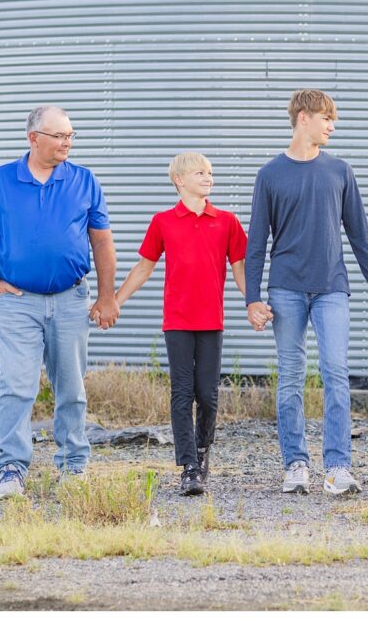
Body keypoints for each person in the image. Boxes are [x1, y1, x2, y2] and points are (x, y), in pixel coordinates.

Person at [0, 105, 118, 500]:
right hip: (17, 303)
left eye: (70, 135)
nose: (67, 143)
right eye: (59, 136)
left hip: (70, 300)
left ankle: (73, 466)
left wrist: (105, 295)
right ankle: (11, 469)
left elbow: (101, 241)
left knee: (72, 387)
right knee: (17, 385)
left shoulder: (84, 180)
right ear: (33, 138)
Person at [245, 89, 368, 496]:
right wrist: (252, 298)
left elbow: (360, 235)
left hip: (332, 289)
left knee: (335, 374)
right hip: (286, 288)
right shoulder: (270, 174)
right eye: (327, 118)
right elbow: (256, 241)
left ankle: (338, 467)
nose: (331, 126)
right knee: (291, 376)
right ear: (304, 117)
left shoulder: (339, 171)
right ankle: (295, 464)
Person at [115, 152, 247, 496]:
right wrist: (115, 300)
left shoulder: (227, 221)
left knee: (208, 394)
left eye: (211, 172)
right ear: (179, 180)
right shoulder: (163, 222)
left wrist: (254, 303)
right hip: (177, 321)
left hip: (211, 322)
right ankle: (188, 466)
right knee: (181, 393)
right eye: (200, 172)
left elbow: (241, 268)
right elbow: (144, 267)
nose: (209, 178)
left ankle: (203, 454)